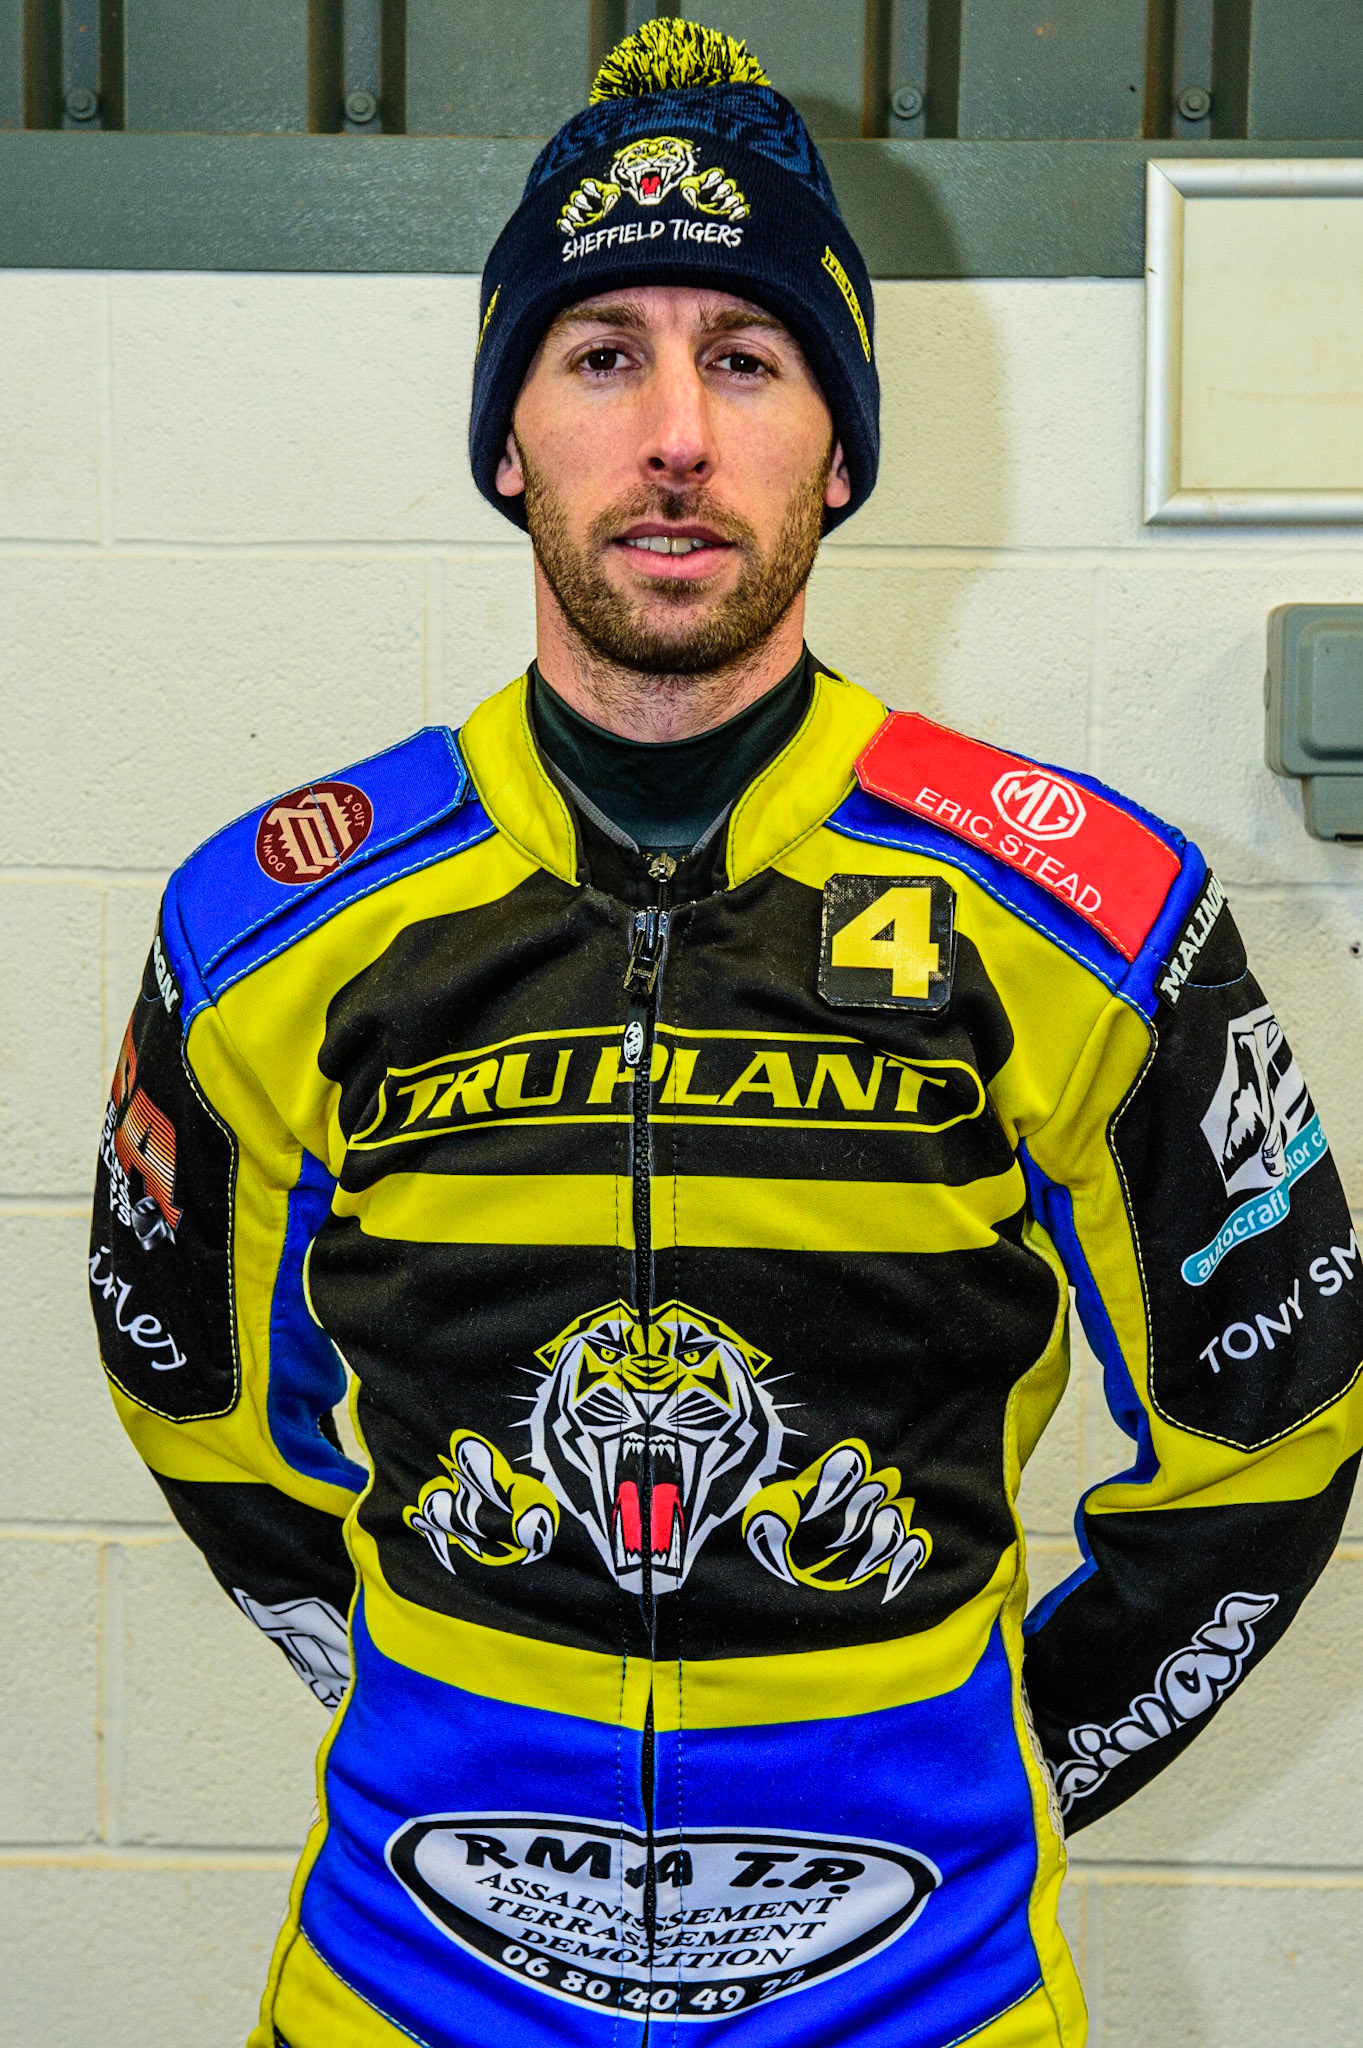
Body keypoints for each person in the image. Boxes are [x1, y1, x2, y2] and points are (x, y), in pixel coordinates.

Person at [89, 20, 1363, 2048]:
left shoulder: (1084, 913)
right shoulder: (262, 924)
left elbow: (1272, 1432)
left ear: (836, 450)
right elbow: (193, 1400)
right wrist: (413, 1681)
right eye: (601, 357)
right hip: (410, 1987)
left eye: (746, 361)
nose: (674, 433)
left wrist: (1006, 1764)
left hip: (925, 1998)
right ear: (508, 434)